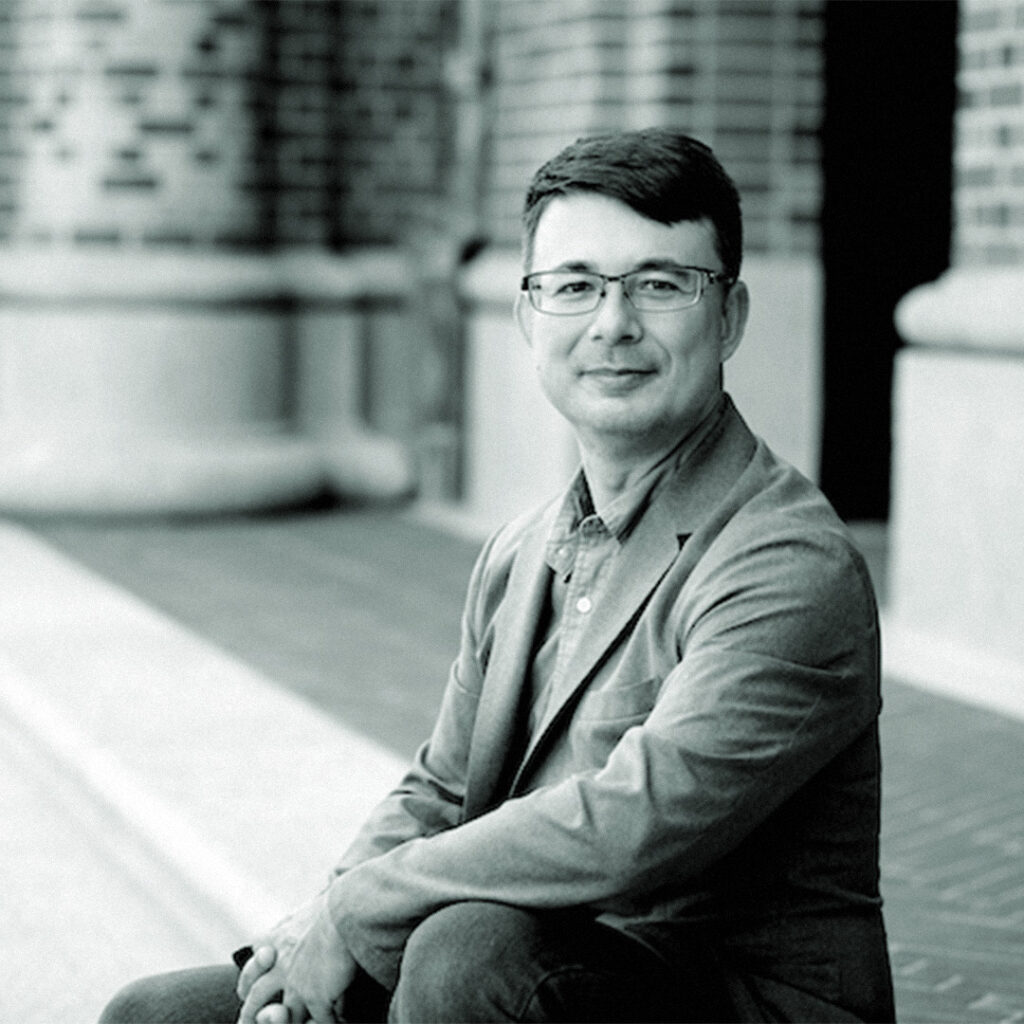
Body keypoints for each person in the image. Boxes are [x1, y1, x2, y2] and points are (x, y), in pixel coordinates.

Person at [100, 128, 895, 1024]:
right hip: (524, 968)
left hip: (719, 995)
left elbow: (638, 820)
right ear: (528, 318)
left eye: (661, 283)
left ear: (730, 317)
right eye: (575, 286)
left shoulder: (785, 561)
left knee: (462, 955)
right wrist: (314, 931)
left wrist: (366, 913)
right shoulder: (521, 551)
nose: (613, 323)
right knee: (159, 1014)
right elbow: (440, 791)